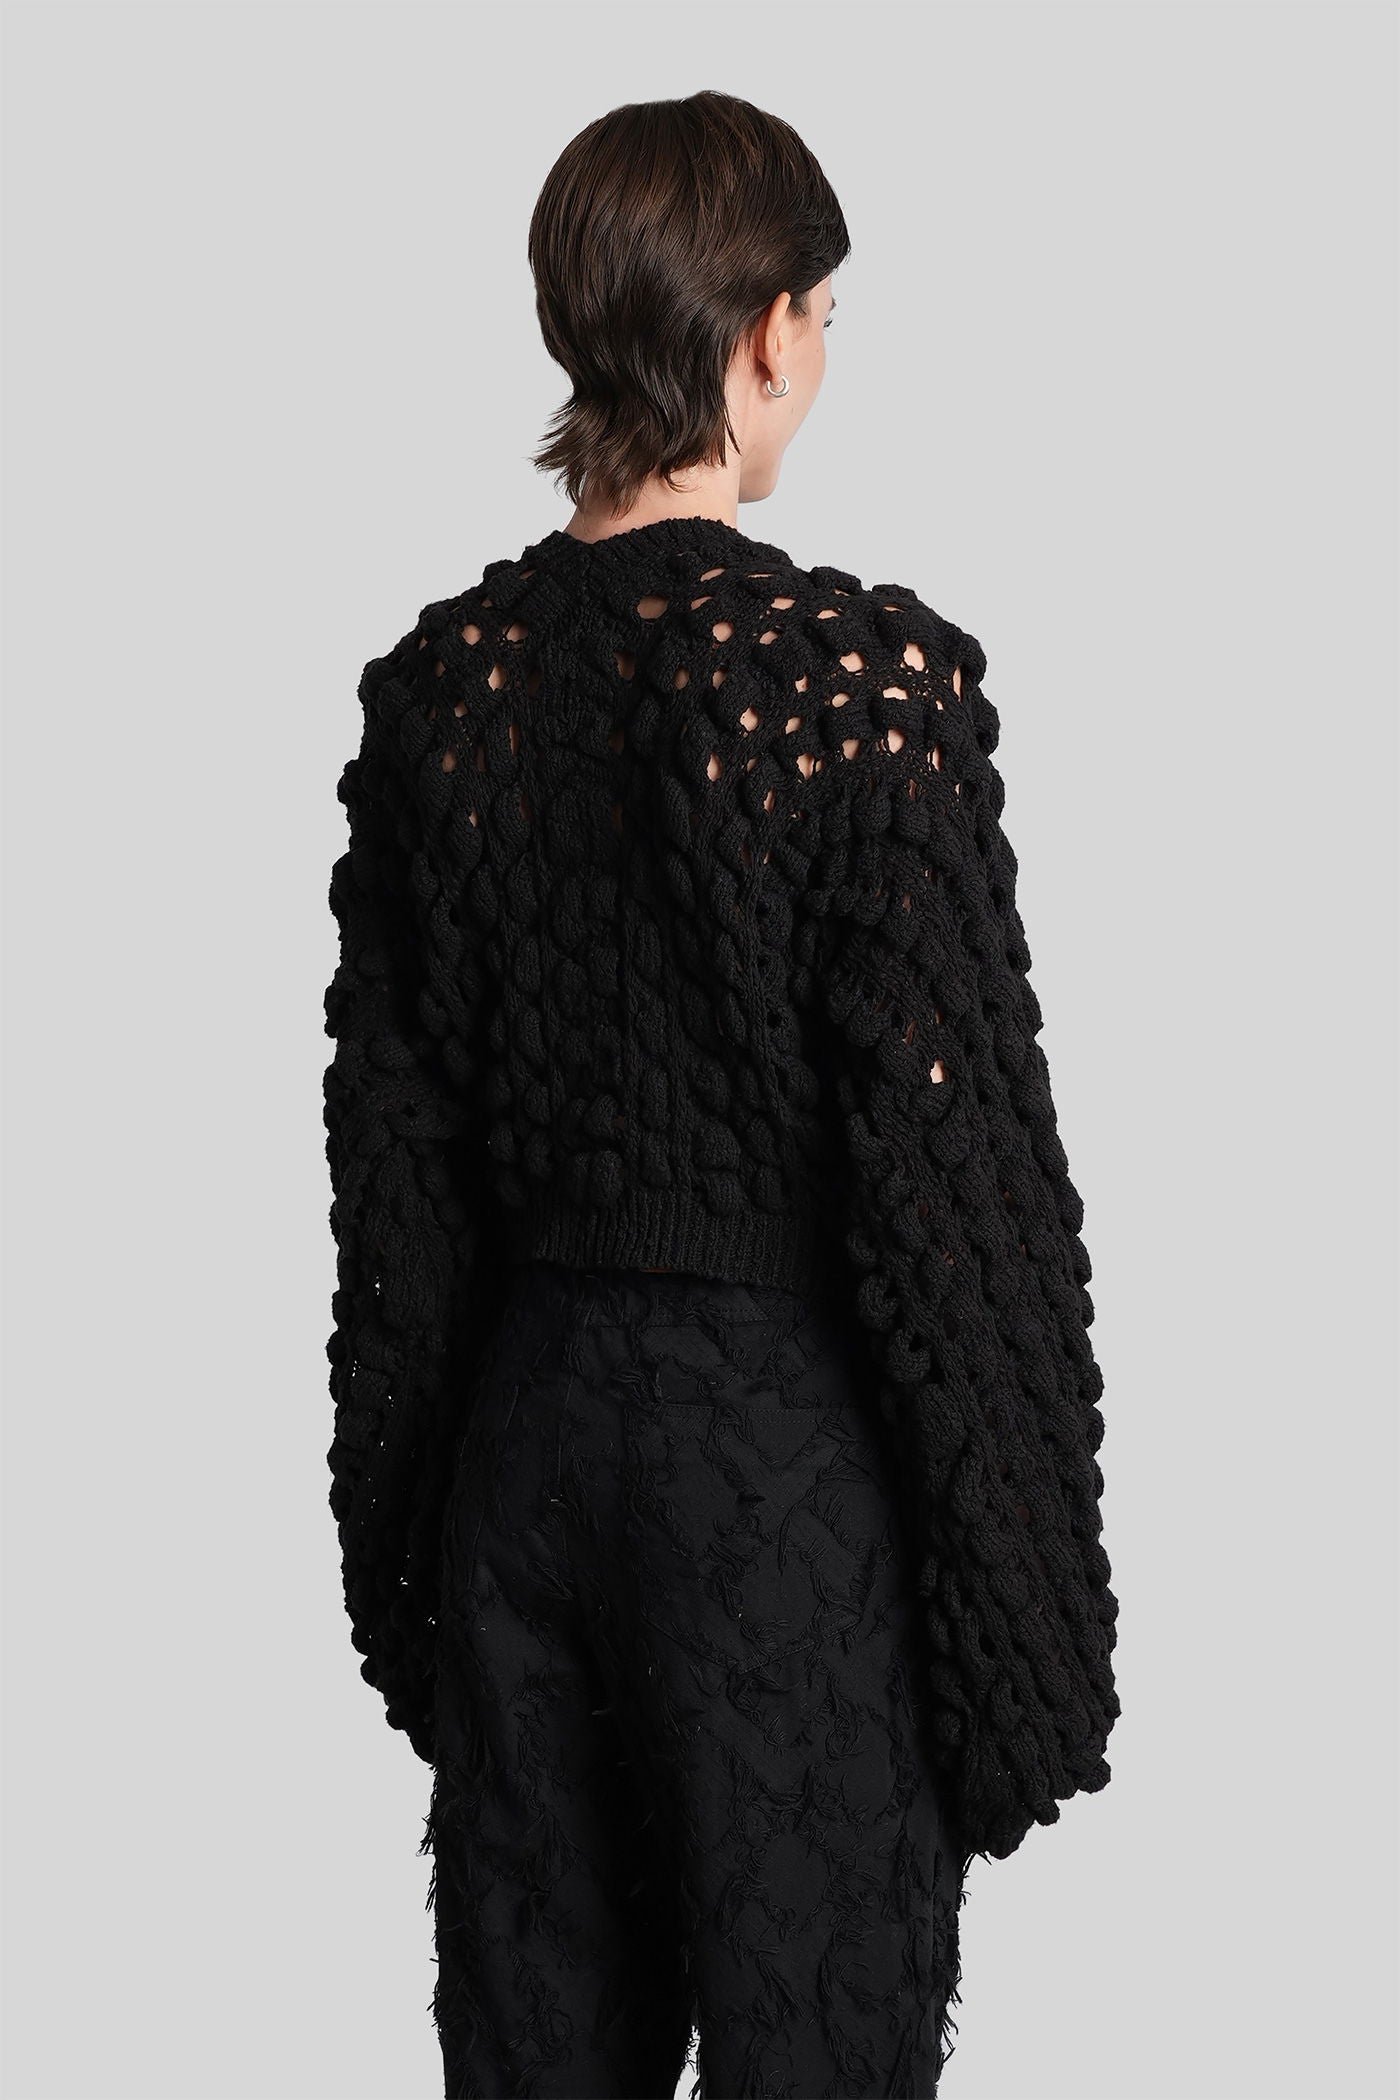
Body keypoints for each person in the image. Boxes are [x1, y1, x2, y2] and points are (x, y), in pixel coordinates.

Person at [322, 88, 1120, 2100]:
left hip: (525, 1468)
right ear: (764, 333)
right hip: (775, 1488)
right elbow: (964, 1211)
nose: (822, 357)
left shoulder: (442, 702)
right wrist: (1030, 1645)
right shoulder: (858, 694)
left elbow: (394, 1199)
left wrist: (413, 1574)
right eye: (826, 316)